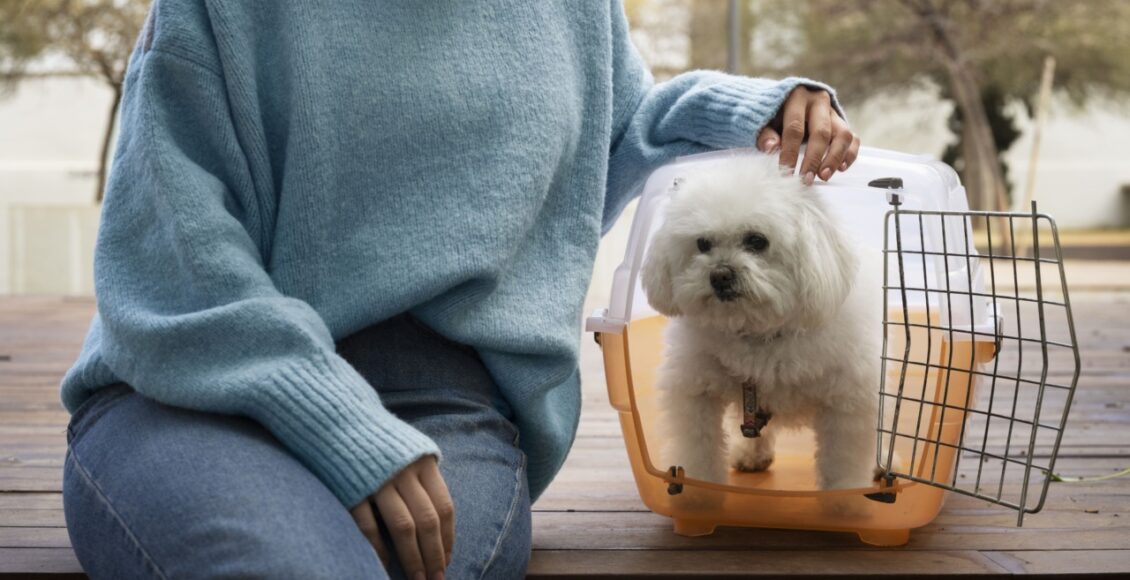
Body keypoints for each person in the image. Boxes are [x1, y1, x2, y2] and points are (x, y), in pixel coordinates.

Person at [59, 1, 860, 578]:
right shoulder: (217, 13)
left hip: (447, 413)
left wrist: (761, 105)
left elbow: (618, 130)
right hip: (197, 394)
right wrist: (340, 427)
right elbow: (168, 257)